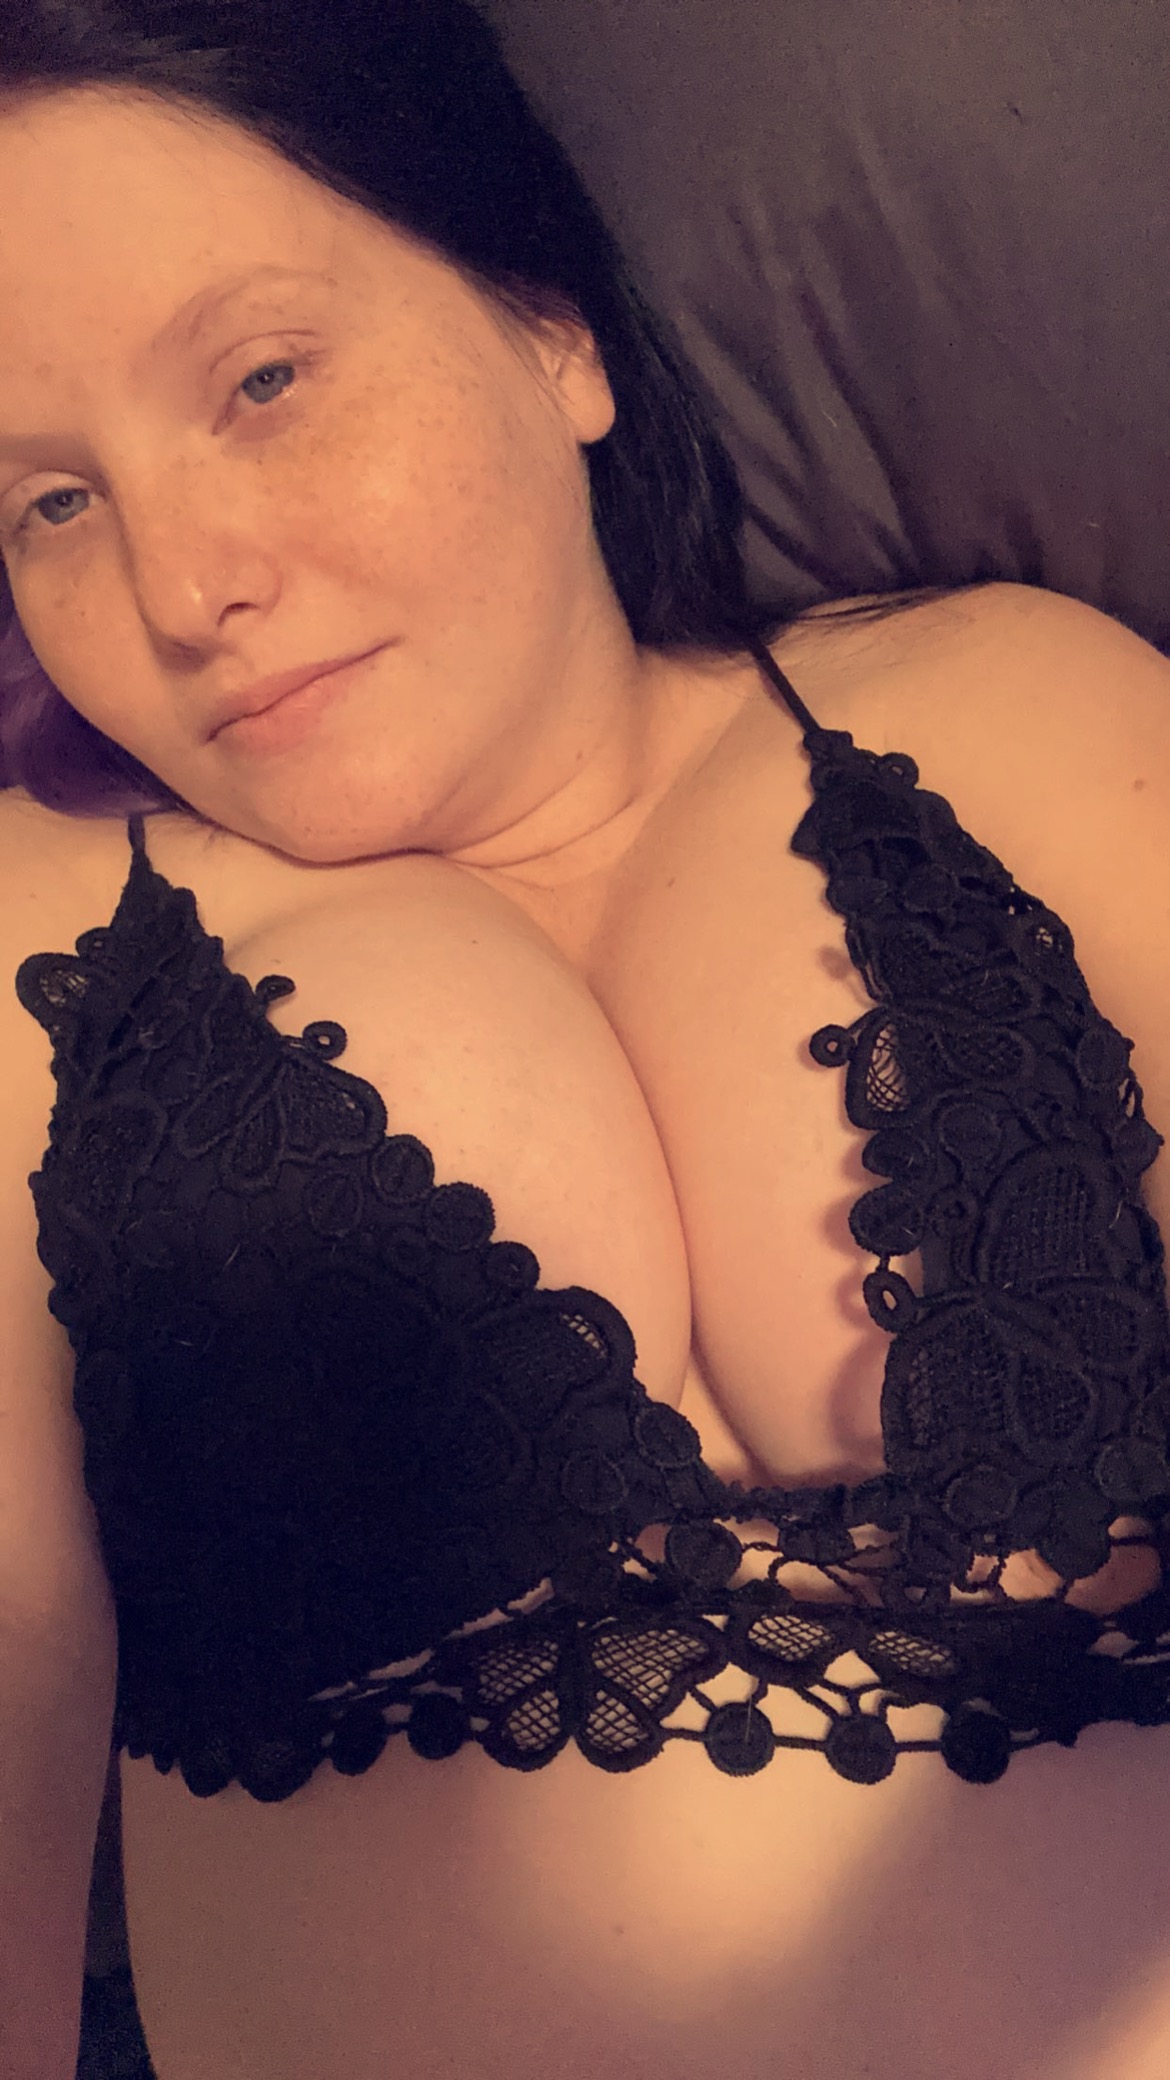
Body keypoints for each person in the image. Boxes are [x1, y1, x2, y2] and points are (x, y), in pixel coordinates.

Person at [2, 5, 1170, 2078]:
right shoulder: (43, 934)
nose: (183, 588)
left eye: (262, 382)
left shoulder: (1010, 710)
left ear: (553, 333)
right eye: (53, 502)